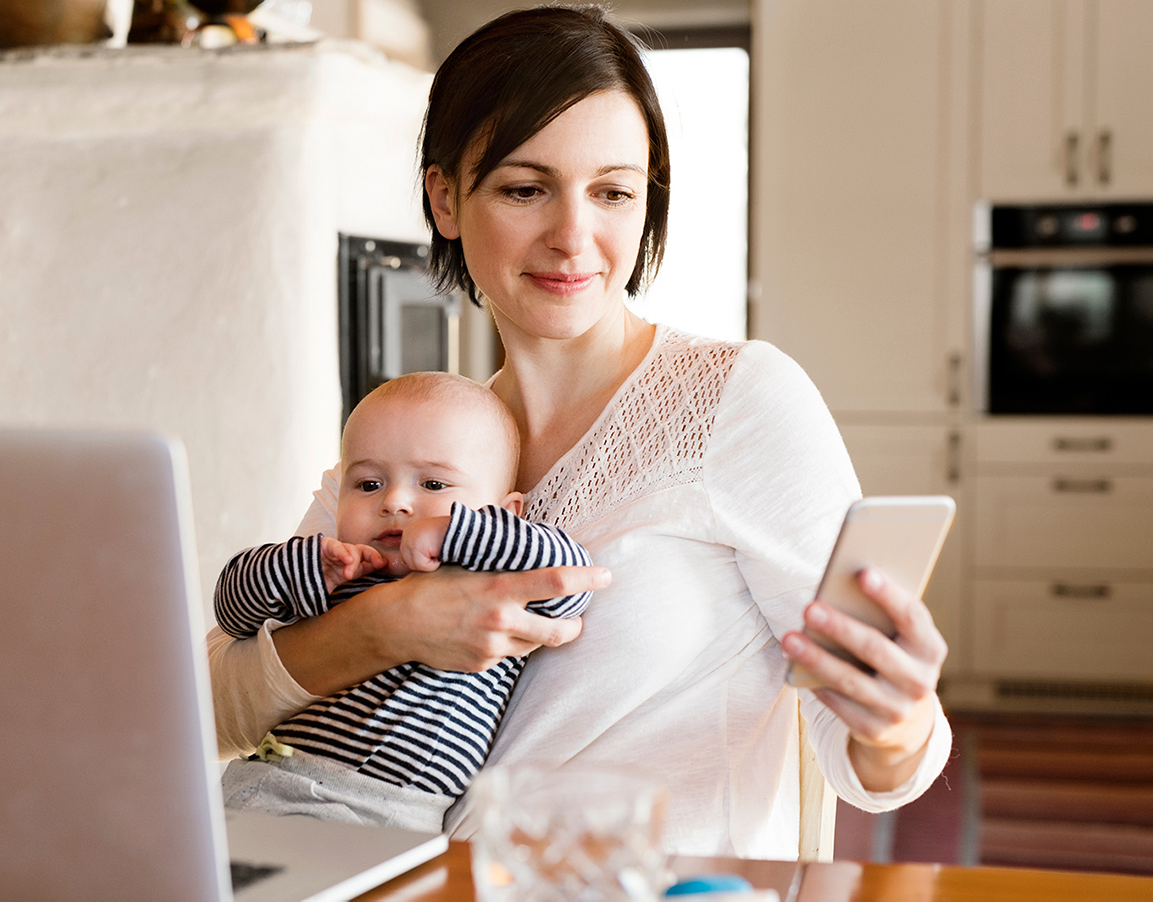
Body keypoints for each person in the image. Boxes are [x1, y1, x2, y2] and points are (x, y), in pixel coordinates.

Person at [207, 5, 952, 859]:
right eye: (526, 189)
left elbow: (874, 760)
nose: (573, 237)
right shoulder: (404, 448)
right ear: (446, 198)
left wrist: (895, 724)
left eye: (612, 192)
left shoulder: (737, 400)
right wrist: (391, 625)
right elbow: (214, 707)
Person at [215, 372, 592, 833]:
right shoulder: (342, 571)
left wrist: (456, 533)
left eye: (434, 486)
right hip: (276, 787)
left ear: (506, 513)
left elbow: (570, 581)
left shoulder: (497, 578)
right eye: (368, 484)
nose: (395, 501)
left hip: (402, 817)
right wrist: (303, 564)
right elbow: (232, 610)